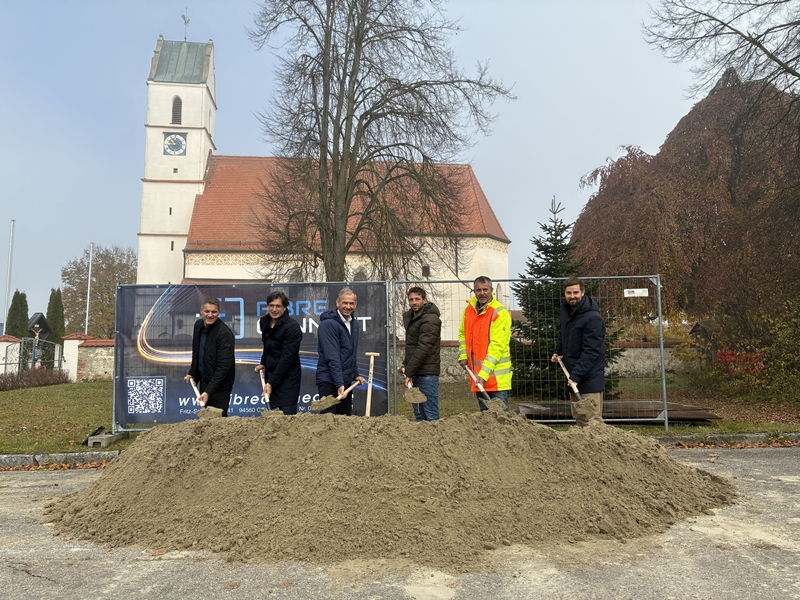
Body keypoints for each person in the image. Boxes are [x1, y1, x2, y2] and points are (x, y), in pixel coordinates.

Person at [551, 276, 606, 426]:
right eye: (569, 293)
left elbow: (591, 351)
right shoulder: (568, 313)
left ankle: (599, 449)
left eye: (575, 292)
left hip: (589, 377)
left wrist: (576, 375)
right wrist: (558, 351)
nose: (572, 296)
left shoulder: (592, 318)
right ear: (564, 293)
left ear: (583, 292)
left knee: (592, 419)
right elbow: (564, 334)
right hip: (573, 375)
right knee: (580, 417)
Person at [458, 276, 512, 410]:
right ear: (474, 291)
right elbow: (463, 334)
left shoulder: (499, 312)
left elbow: (497, 346)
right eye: (478, 290)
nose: (482, 293)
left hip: (496, 380)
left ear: (492, 290)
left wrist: (483, 374)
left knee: (500, 421)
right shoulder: (469, 310)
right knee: (486, 421)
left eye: (485, 289)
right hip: (478, 377)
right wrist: (463, 356)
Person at [316, 287, 366, 415]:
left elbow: (351, 353)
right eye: (345, 303)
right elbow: (332, 357)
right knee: (328, 421)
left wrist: (355, 374)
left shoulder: (354, 324)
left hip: (345, 382)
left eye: (351, 303)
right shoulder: (328, 325)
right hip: (329, 381)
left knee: (344, 423)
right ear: (337, 303)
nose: (348, 306)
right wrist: (339, 383)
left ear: (355, 304)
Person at [185, 297, 236, 416]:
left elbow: (224, 367)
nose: (210, 315)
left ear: (219, 312)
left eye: (214, 312)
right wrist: (192, 372)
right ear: (201, 311)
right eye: (207, 311)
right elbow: (197, 351)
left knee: (218, 423)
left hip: (221, 386)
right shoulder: (198, 325)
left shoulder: (224, 334)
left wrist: (208, 391)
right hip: (205, 381)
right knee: (206, 420)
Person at [254, 291, 303, 415]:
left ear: (285, 308)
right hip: (271, 375)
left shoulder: (292, 327)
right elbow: (267, 346)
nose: (274, 309)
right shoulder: (264, 322)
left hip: (288, 378)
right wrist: (263, 363)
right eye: (271, 305)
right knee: (273, 417)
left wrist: (271, 383)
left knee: (287, 418)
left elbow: (287, 358)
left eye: (278, 306)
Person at [400, 286, 441, 421]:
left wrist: (409, 373)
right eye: (411, 300)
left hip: (427, 374)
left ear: (424, 300)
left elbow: (424, 347)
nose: (414, 302)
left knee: (430, 415)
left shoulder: (430, 319)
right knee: (419, 415)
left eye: (417, 299)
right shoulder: (412, 318)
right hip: (416, 372)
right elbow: (413, 345)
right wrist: (406, 363)